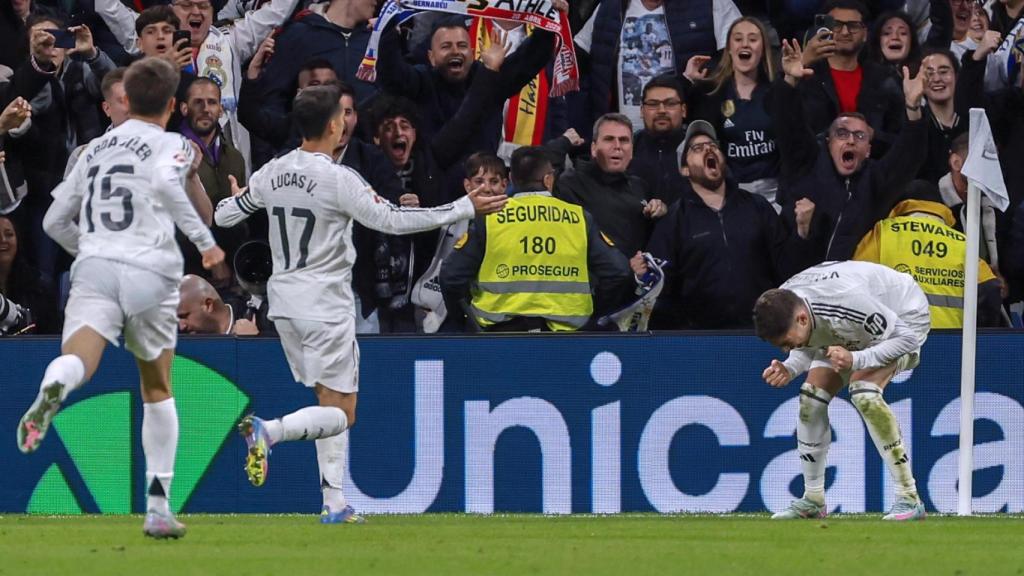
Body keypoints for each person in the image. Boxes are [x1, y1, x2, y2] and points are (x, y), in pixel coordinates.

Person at [213, 85, 507, 523]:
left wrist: (237, 194)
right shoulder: (337, 177)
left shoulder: (271, 173)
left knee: (325, 398)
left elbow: (224, 215)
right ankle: (269, 431)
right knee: (342, 412)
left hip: (284, 304)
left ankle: (334, 503)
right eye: (343, 117)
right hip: (326, 303)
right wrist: (460, 207)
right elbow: (391, 219)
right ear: (334, 125)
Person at [15, 57, 227, 539]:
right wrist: (205, 242)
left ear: (125, 99)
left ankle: (54, 391)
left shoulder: (93, 150)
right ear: (173, 105)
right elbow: (172, 191)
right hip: (150, 268)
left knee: (79, 361)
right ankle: (157, 507)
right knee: (157, 387)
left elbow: (51, 223)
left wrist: (89, 247)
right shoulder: (172, 143)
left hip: (95, 266)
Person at [754, 260, 929, 521]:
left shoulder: (844, 302)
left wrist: (856, 360)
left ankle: (909, 497)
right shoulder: (787, 301)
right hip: (850, 323)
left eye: (786, 343)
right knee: (810, 399)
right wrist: (790, 367)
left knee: (864, 392)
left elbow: (906, 340)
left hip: (903, 316)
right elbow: (810, 340)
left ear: (801, 318)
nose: (785, 349)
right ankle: (813, 499)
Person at [440, 146, 640, 332]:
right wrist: (595, 315)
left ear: (511, 179)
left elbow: (451, 276)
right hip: (567, 341)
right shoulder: (579, 218)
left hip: (500, 339)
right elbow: (619, 272)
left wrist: (467, 322)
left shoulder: (490, 218)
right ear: (548, 179)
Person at [646, 120, 815, 329]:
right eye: (697, 148)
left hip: (760, 332)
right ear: (685, 169)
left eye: (713, 146)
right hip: (700, 338)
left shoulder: (756, 206)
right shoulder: (675, 219)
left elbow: (786, 269)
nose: (708, 149)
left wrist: (802, 232)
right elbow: (663, 290)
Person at [773, 37, 928, 262]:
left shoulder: (876, 182)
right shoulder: (806, 167)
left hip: (857, 287)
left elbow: (909, 156)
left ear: (868, 150)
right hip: (803, 281)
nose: (851, 141)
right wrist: (789, 81)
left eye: (860, 136)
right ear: (828, 142)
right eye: (842, 134)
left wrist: (913, 108)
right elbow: (789, 126)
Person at [852, 180, 1002, 328]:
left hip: (894, 345)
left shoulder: (881, 234)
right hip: (952, 346)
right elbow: (990, 290)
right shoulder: (962, 242)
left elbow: (852, 284)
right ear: (939, 206)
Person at [683, 16, 781, 208]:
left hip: (775, 196)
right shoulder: (709, 93)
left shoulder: (778, 91)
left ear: (763, 49)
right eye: (738, 39)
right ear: (729, 48)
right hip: (729, 194)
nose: (745, 44)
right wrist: (687, 81)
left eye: (752, 39)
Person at [555, 113, 667, 258]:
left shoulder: (640, 187)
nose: (617, 146)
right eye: (609, 139)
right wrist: (562, 143)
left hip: (634, 279)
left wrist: (661, 214)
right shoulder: (570, 182)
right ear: (593, 148)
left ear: (631, 150)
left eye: (624, 140)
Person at [627, 74, 688, 207]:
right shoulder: (627, 148)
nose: (661, 111)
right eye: (653, 104)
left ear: (683, 110)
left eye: (670, 104)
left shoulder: (698, 149)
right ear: (642, 111)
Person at [176, 273, 259, 334]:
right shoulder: (181, 344)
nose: (181, 327)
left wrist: (255, 345)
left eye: (184, 316)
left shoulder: (260, 319)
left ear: (208, 305)